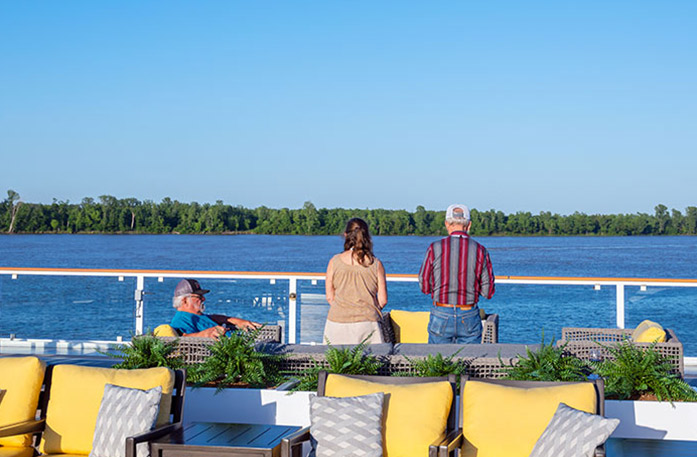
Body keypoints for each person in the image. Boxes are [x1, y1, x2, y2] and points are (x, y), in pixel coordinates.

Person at [419, 204, 495, 344]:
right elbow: (488, 291)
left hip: (441, 311)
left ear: (447, 224)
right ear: (469, 225)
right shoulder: (480, 250)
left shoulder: (434, 248)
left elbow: (424, 285)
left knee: (438, 362)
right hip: (469, 313)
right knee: (470, 362)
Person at [323, 218, 388, 344]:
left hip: (336, 323)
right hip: (368, 324)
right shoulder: (376, 264)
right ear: (367, 236)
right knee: (370, 363)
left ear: (346, 235)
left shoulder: (334, 262)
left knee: (335, 363)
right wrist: (368, 309)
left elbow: (330, 297)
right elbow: (383, 300)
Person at [170, 278, 261, 338]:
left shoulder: (197, 316)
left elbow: (214, 317)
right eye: (199, 297)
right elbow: (183, 339)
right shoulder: (181, 319)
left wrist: (237, 321)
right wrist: (205, 334)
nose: (203, 299)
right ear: (185, 300)